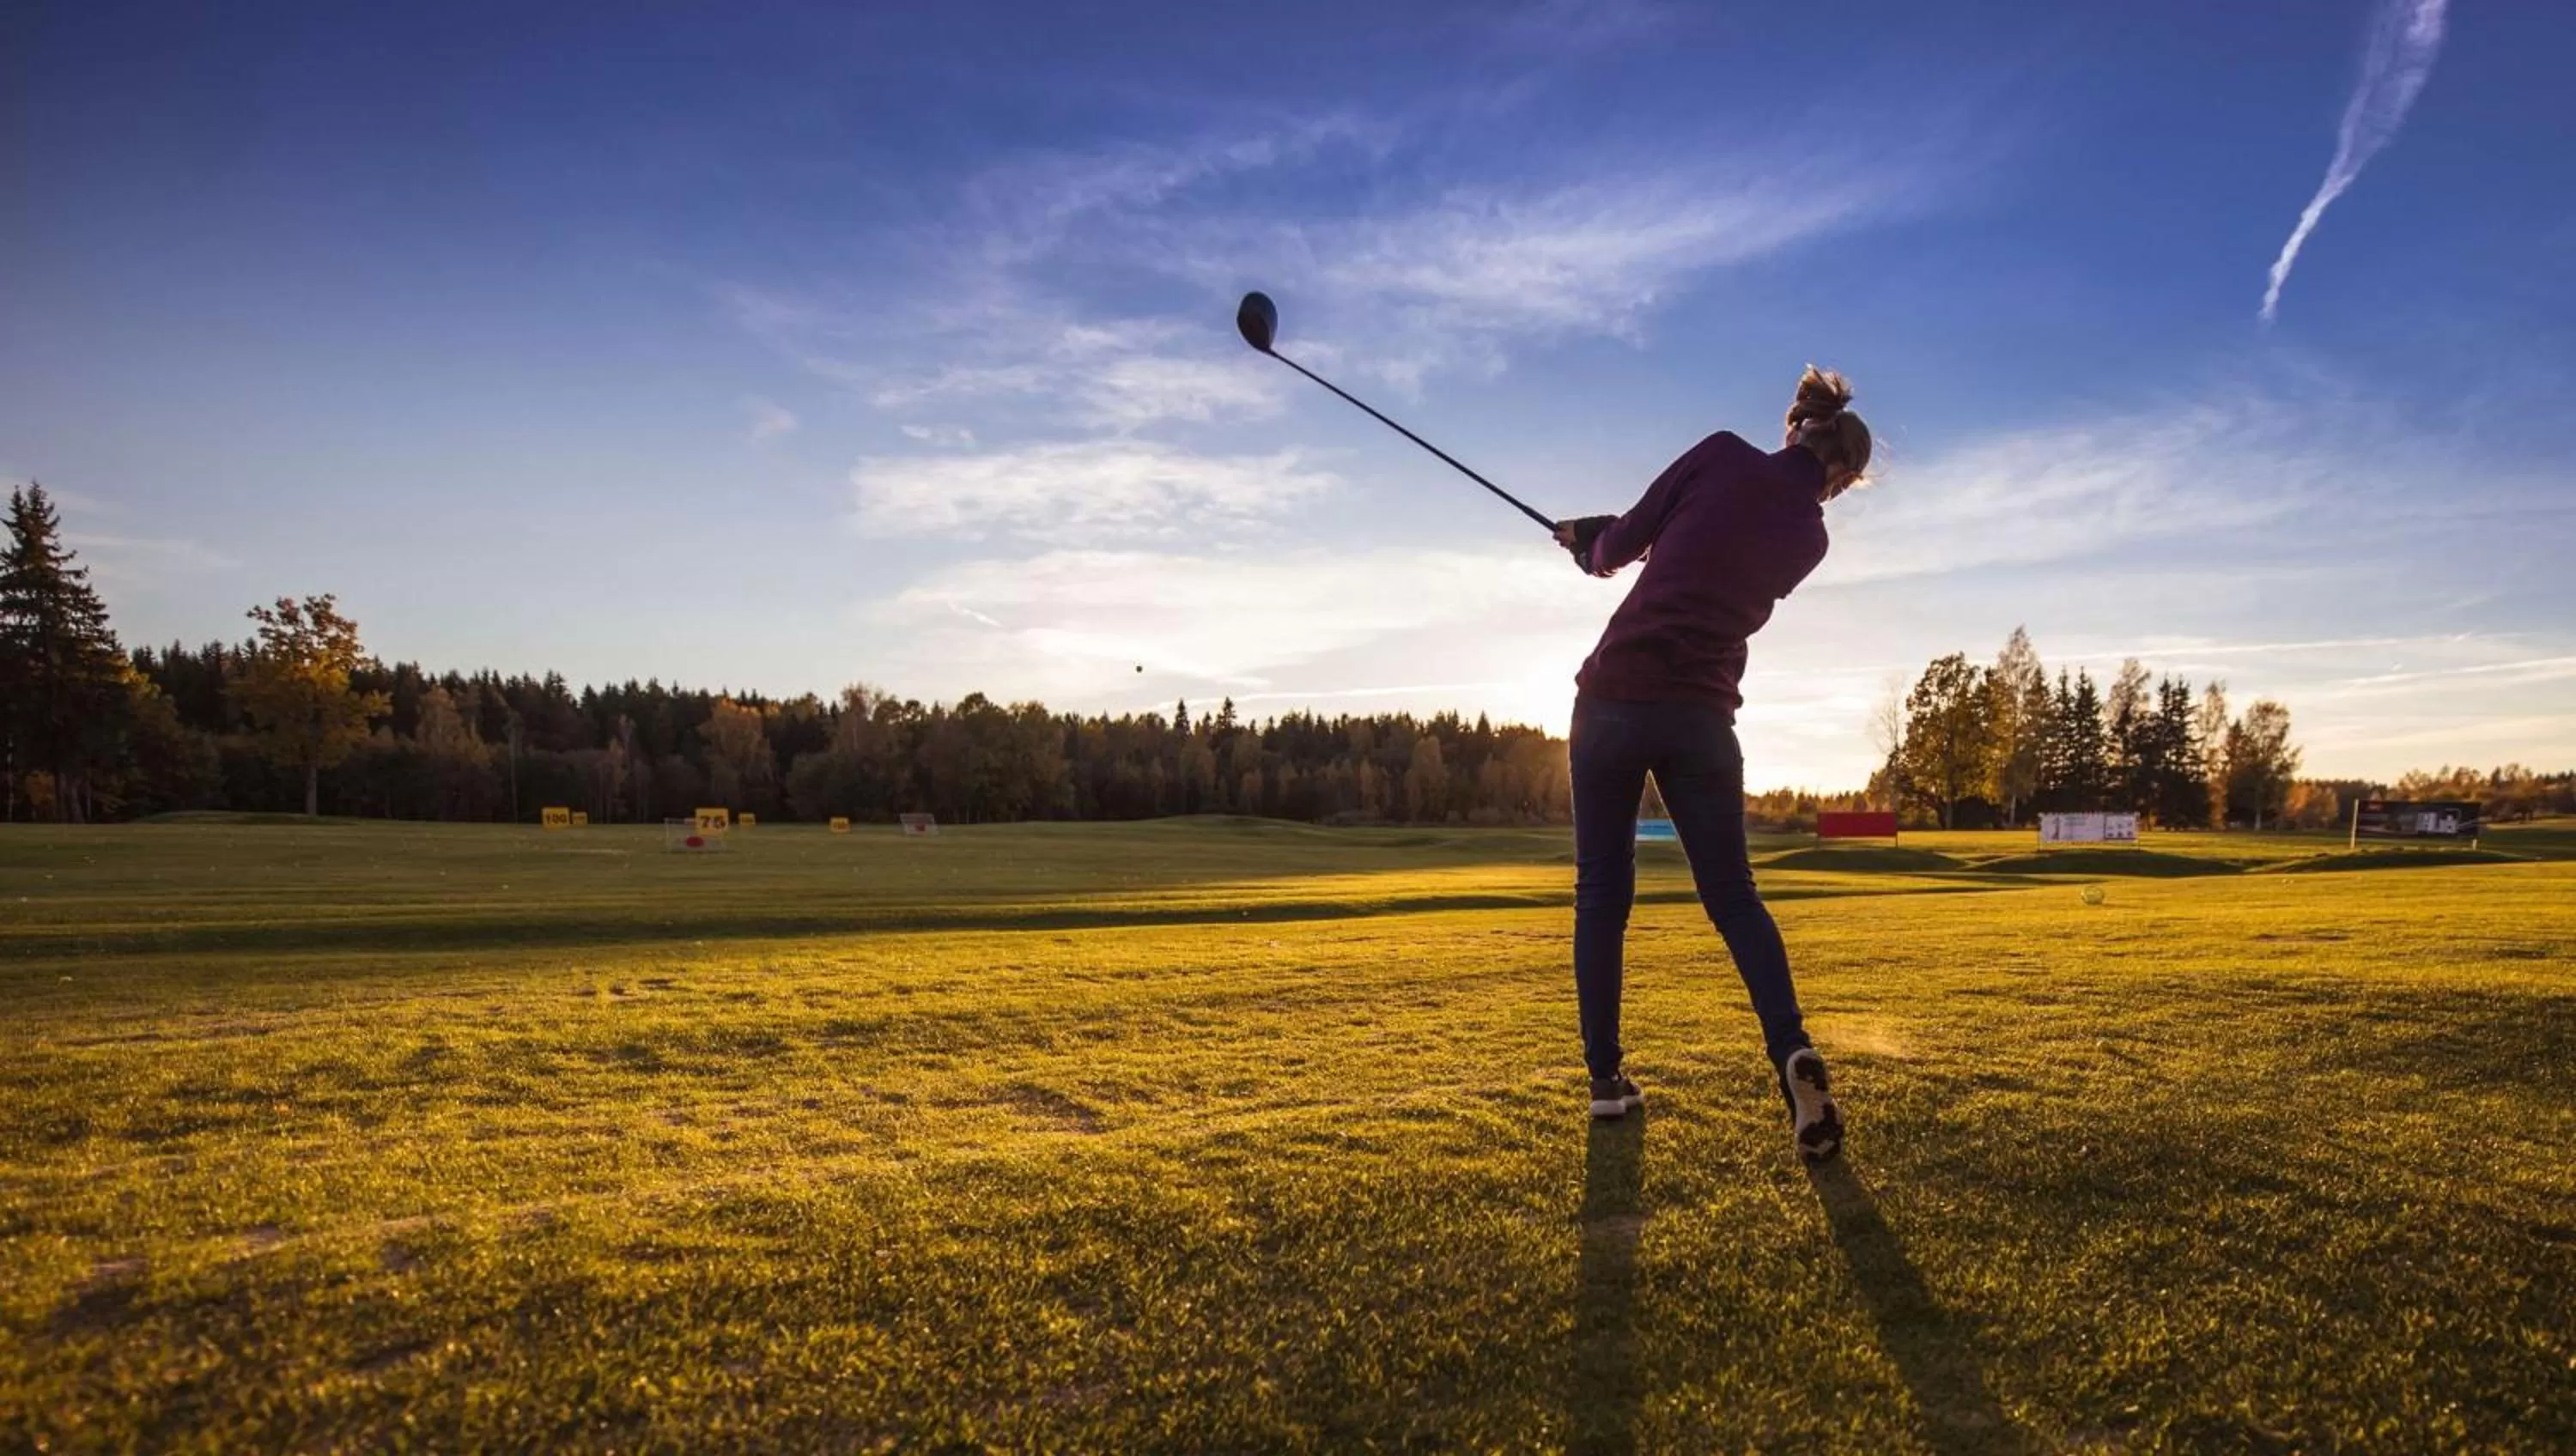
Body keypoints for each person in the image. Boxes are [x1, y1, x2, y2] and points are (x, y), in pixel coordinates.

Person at [1552, 366, 1873, 1161]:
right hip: (1700, 719)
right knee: (1733, 897)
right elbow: (1707, 555)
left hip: (1613, 701)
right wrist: (1610, 540)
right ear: (1839, 480)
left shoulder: (1722, 452)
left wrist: (1592, 546)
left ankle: (1605, 1081)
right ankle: (1791, 1049)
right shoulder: (1810, 539)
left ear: (1794, 424)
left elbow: (1628, 544)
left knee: (1602, 893)